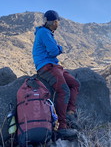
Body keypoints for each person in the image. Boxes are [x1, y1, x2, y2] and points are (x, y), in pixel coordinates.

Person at [32, 10, 79, 139]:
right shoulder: (44, 33)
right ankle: (61, 127)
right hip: (46, 66)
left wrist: (57, 47)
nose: (58, 24)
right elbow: (53, 51)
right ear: (53, 22)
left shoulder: (47, 33)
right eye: (57, 22)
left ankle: (70, 112)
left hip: (54, 66)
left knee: (75, 84)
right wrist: (60, 48)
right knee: (64, 91)